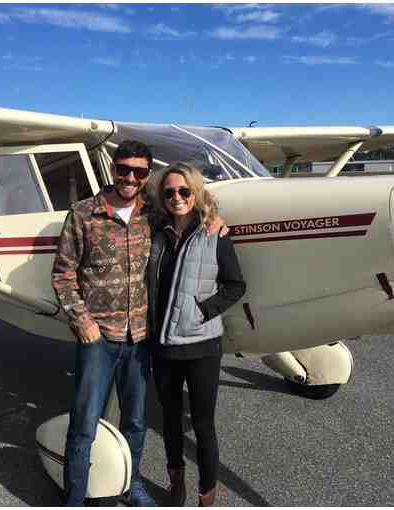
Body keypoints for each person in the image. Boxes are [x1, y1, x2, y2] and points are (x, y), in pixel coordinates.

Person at [51, 140, 157, 507]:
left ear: (147, 175)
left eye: (139, 171)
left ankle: (132, 484)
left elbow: (192, 215)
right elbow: (63, 275)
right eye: (124, 169)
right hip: (98, 337)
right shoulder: (83, 214)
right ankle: (75, 497)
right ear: (112, 169)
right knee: (84, 423)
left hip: (140, 337)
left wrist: (216, 222)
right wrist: (82, 322)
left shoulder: (152, 214)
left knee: (137, 422)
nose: (130, 177)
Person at [147, 162, 246, 507]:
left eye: (184, 191)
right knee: (170, 421)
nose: (177, 198)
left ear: (196, 193)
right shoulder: (153, 232)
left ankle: (207, 496)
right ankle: (176, 483)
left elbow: (235, 286)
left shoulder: (214, 234)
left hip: (202, 346)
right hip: (162, 346)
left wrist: (202, 312)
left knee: (203, 426)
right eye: (170, 192)